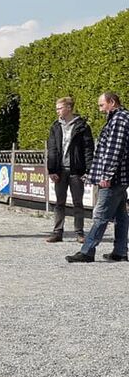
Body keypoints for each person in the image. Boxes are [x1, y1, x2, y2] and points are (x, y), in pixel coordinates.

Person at [66, 92, 129, 263]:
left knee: (101, 215)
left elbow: (114, 152)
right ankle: (120, 251)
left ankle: (87, 251)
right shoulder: (120, 118)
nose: (100, 109)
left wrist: (106, 175)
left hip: (113, 178)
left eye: (102, 105)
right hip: (120, 177)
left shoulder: (119, 120)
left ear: (112, 102)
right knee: (121, 214)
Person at [46, 97, 94, 244]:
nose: (57, 111)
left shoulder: (82, 126)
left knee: (78, 202)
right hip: (60, 170)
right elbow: (52, 149)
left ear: (68, 108)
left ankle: (79, 232)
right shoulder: (55, 126)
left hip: (76, 170)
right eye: (57, 108)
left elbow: (88, 149)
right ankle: (57, 232)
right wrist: (52, 169)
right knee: (59, 202)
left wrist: (87, 169)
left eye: (59, 108)